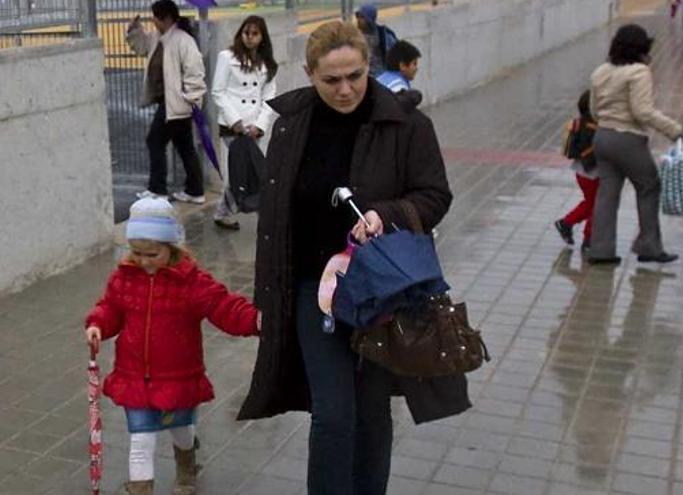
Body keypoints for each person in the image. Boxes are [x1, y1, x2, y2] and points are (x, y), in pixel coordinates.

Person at [236, 21, 469, 495]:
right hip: (310, 290)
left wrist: (388, 214)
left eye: (356, 76)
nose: (345, 89)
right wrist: (265, 295)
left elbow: (435, 195)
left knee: (370, 411)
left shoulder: (406, 124)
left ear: (369, 67)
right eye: (331, 80)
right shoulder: (291, 124)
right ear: (309, 74)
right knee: (333, 413)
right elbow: (275, 218)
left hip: (380, 292)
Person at [84, 197, 260, 495]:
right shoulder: (124, 278)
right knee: (141, 440)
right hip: (135, 377)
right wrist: (98, 324)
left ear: (172, 247)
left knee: (181, 430)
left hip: (178, 376)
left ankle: (186, 467)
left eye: (152, 253)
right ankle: (140, 488)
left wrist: (255, 321)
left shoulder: (191, 282)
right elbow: (111, 307)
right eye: (137, 253)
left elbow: (223, 306)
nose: (143, 260)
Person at [587, 24, 683, 266]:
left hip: (602, 137)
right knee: (649, 186)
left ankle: (600, 250)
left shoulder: (600, 71)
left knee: (606, 195)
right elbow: (642, 112)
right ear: (641, 48)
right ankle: (648, 246)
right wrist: (674, 129)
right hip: (627, 139)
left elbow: (593, 110)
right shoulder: (639, 72)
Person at [127, 0, 207, 204]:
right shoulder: (158, 37)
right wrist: (134, 29)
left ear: (166, 18)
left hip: (176, 104)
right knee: (184, 146)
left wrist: (190, 98)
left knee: (154, 140)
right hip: (170, 103)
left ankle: (158, 189)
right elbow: (141, 47)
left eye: (155, 16)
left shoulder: (182, 40)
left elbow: (195, 72)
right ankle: (195, 190)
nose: (152, 21)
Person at [211, 15, 278, 230]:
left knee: (257, 172)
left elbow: (269, 98)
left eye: (255, 33)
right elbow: (218, 92)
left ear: (262, 36)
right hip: (233, 128)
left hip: (255, 128)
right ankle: (226, 213)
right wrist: (236, 122)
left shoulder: (267, 64)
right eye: (246, 33)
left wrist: (260, 125)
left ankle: (260, 214)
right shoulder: (226, 57)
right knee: (235, 175)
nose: (249, 38)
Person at [554, 89, 600, 253]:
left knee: (591, 202)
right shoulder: (594, 127)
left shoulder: (582, 122)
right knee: (598, 205)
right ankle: (589, 239)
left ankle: (567, 223)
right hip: (593, 172)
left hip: (581, 172)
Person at [355, 3, 398, 76]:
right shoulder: (354, 36)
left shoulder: (383, 35)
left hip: (381, 77)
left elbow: (398, 53)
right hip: (363, 77)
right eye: (358, 17)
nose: (358, 20)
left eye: (362, 17)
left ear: (370, 19)